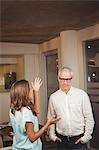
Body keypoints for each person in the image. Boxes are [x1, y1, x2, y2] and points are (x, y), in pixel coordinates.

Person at [47, 67, 95, 150]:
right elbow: (51, 117)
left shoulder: (82, 95)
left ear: (71, 79)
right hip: (61, 140)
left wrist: (86, 137)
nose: (65, 82)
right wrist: (52, 135)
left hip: (79, 140)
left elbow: (89, 117)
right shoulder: (53, 97)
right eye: (62, 79)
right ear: (58, 79)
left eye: (68, 79)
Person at [9, 77, 60, 150]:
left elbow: (36, 111)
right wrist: (48, 124)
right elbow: (32, 138)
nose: (32, 90)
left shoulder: (13, 109)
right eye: (30, 88)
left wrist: (36, 91)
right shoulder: (26, 113)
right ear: (25, 93)